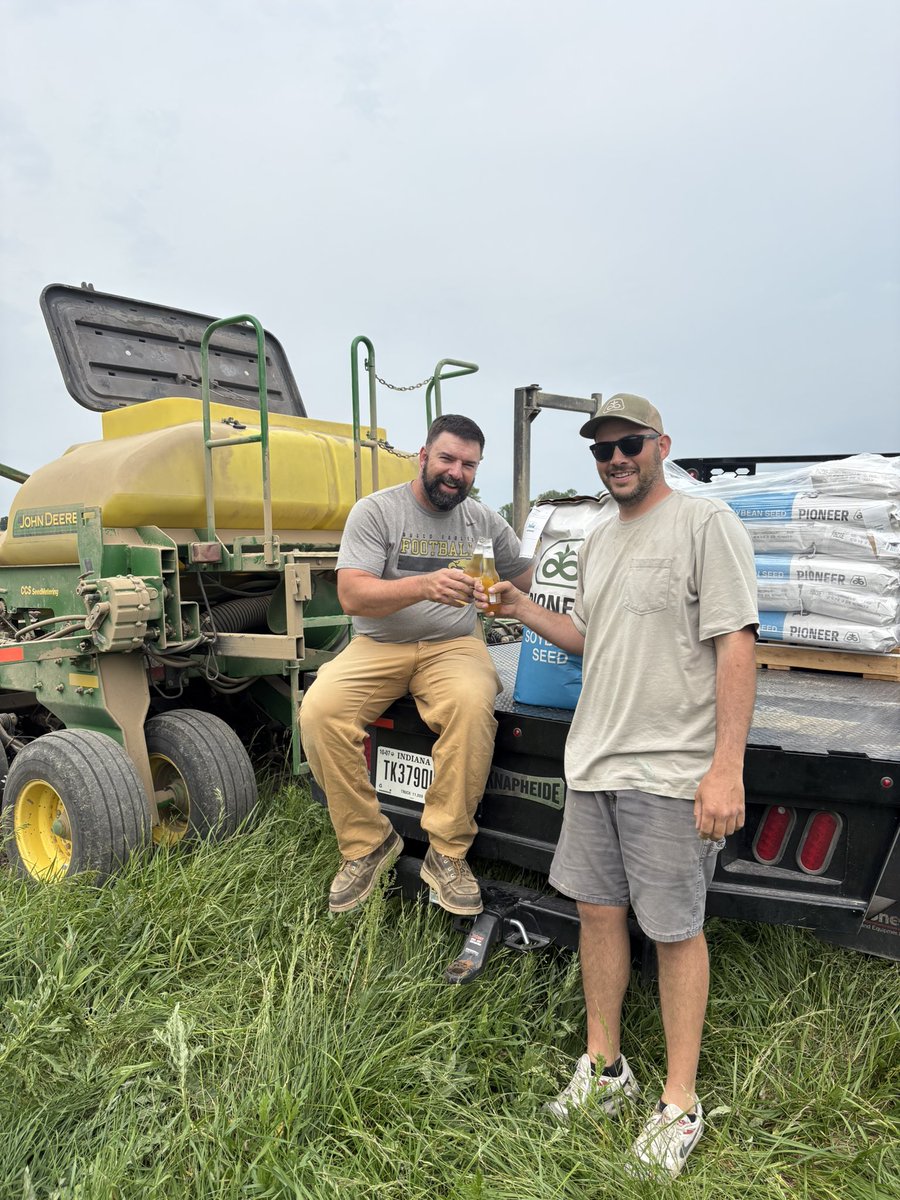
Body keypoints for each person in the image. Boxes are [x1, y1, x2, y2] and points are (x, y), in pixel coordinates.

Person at [475, 394, 758, 1180]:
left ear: (661, 444)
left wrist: (725, 766)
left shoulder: (705, 525)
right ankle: (605, 1068)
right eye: (602, 450)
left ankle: (679, 1103)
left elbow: (736, 643)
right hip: (594, 760)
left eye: (629, 444)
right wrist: (523, 605)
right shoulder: (599, 539)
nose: (616, 459)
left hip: (670, 768)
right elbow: (592, 639)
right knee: (597, 915)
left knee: (674, 930)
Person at [300, 413, 533, 918]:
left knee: (473, 706)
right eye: (448, 458)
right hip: (379, 645)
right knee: (320, 713)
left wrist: (553, 576)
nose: (457, 472)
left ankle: (447, 854)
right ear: (424, 456)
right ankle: (366, 843)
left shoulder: (483, 520)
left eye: (469, 465)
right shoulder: (378, 511)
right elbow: (351, 594)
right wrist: (424, 585)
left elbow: (527, 574)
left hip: (453, 645)